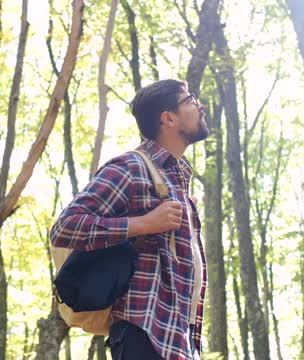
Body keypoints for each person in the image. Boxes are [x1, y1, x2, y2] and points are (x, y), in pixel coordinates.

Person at [50, 79, 208, 359]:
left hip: (179, 341)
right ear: (168, 117)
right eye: (192, 101)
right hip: (143, 333)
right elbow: (66, 227)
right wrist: (144, 224)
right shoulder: (131, 167)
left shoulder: (176, 179)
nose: (201, 107)